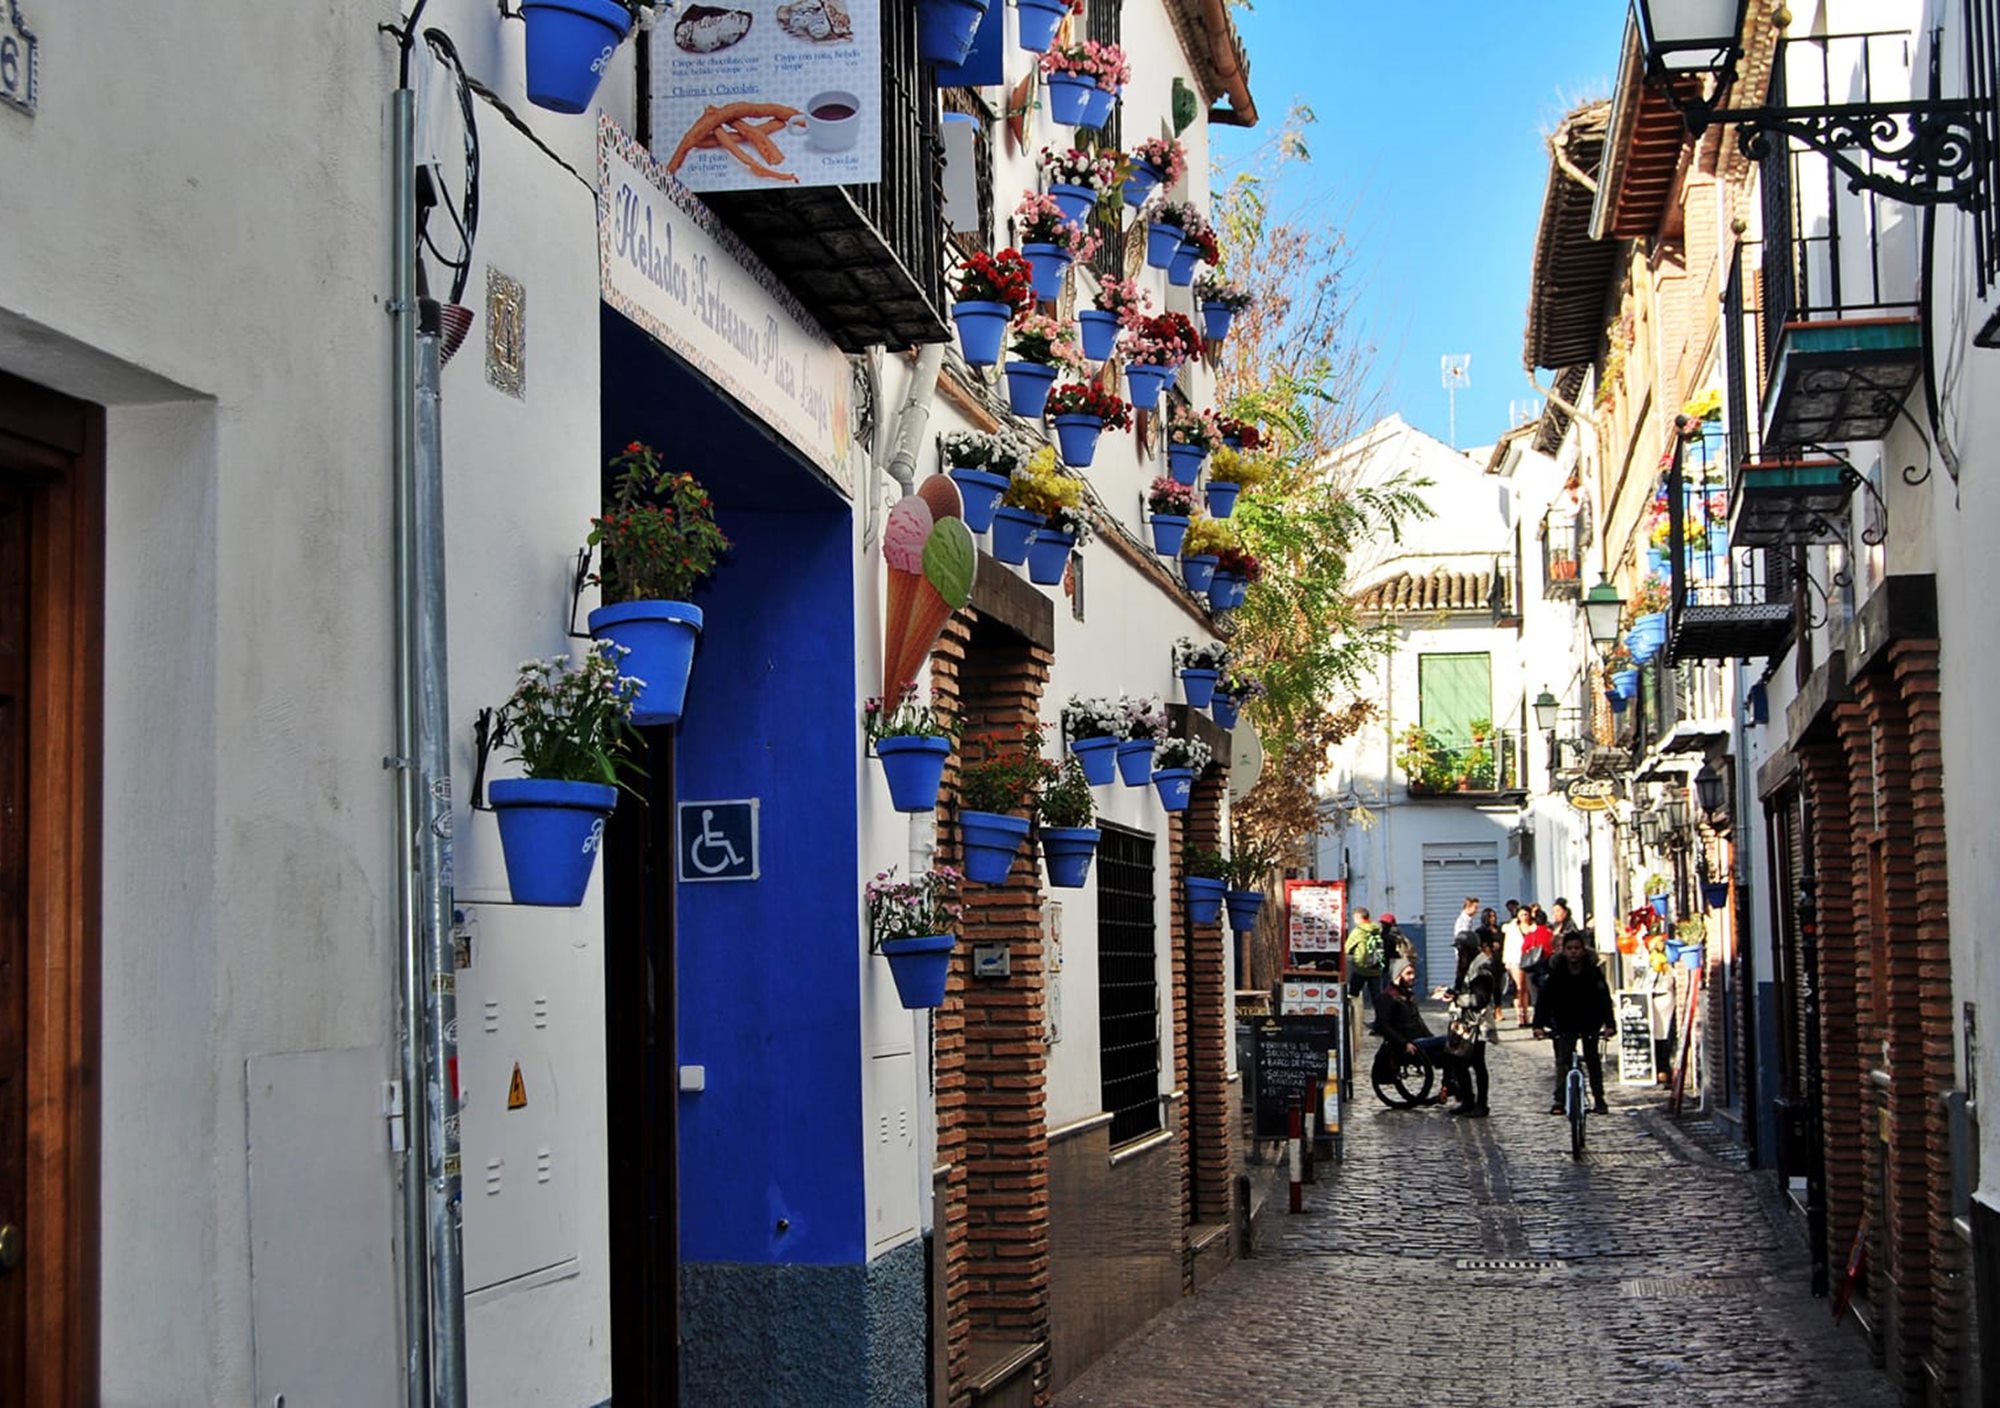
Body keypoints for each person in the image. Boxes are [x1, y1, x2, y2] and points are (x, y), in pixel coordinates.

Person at [1534, 931, 1616, 1114]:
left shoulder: (1593, 972)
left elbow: (1603, 998)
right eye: (1569, 948)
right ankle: (1560, 1100)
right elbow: (1544, 1000)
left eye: (1577, 948)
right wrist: (1538, 1025)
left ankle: (1599, 1098)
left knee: (1592, 1060)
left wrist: (1609, 1024)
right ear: (1563, 951)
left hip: (1589, 1021)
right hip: (1564, 1022)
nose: (1573, 952)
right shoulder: (1556, 974)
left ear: (1583, 951)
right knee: (1563, 1061)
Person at [1374, 959, 1459, 1103]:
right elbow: (1384, 1026)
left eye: (1413, 973)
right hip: (1407, 1043)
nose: (1412, 977)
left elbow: (1418, 1022)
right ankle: (1449, 1086)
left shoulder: (1408, 996)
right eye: (1408, 974)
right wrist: (1404, 1044)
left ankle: (1449, 1085)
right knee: (1449, 1038)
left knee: (1451, 1046)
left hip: (1420, 1040)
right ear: (1397, 976)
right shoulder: (1386, 998)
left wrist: (1431, 1038)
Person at [1442, 929, 1505, 1116]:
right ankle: (1467, 1100)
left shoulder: (1481, 967)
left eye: (1460, 949)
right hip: (1463, 1022)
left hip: (1477, 1023)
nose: (1458, 953)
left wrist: (1457, 998)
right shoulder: (1465, 964)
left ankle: (1481, 1104)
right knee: (1457, 1061)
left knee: (1477, 1063)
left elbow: (1480, 999)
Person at [1345, 906, 1385, 1003]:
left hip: (1360, 969)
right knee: (1377, 998)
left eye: (1354, 918)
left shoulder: (1358, 932)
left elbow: (1347, 949)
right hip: (1376, 969)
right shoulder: (1377, 930)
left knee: (1353, 996)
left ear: (1358, 917)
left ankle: (1354, 1017)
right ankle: (1381, 1017)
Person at [1502, 902, 1529, 1023]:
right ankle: (1520, 1014)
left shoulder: (1532, 927)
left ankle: (1526, 1013)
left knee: (1525, 988)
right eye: (1522, 914)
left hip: (1529, 960)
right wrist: (1506, 960)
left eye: (1526, 914)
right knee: (1519, 987)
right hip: (1515, 960)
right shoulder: (1512, 927)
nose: (1524, 917)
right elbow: (1508, 945)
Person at [1451, 895, 1480, 987]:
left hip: (1468, 952)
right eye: (1475, 907)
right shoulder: (1462, 921)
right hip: (1464, 952)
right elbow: (1462, 937)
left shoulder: (1468, 920)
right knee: (1462, 974)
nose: (1476, 910)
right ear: (1468, 907)